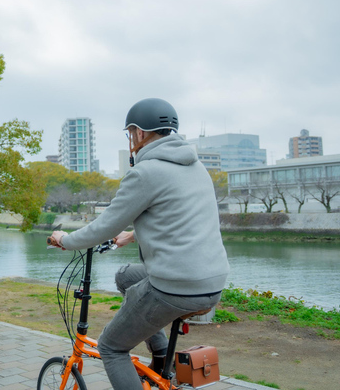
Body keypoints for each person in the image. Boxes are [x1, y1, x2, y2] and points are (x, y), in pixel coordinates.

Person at [49, 98, 230, 390]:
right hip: (211, 280)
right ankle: (160, 356)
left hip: (175, 284)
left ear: (139, 133)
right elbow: (184, 217)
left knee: (111, 346)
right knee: (125, 277)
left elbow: (105, 225)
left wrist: (65, 240)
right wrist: (133, 235)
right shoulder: (196, 168)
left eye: (129, 133)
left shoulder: (145, 172)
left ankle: (154, 357)